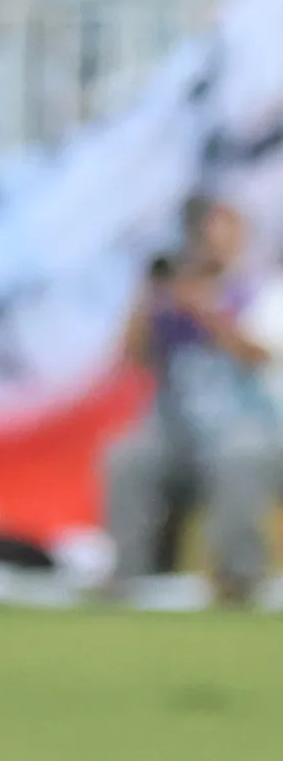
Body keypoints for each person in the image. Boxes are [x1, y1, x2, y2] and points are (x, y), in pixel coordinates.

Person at [102, 197, 283, 602]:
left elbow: (259, 356)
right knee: (127, 457)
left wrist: (205, 310)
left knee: (240, 458)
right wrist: (147, 293)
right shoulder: (168, 298)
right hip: (178, 433)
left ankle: (240, 578)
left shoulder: (264, 291)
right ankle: (130, 578)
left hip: (247, 427)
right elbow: (128, 357)